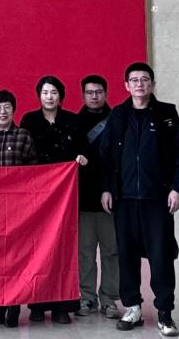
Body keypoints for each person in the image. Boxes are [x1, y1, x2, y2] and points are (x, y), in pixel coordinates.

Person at [99, 63, 179, 337]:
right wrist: (107, 189)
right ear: (126, 85)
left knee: (161, 255)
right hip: (124, 198)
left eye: (144, 79)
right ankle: (133, 307)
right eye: (134, 80)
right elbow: (106, 155)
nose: (139, 84)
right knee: (126, 255)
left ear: (152, 84)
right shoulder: (118, 114)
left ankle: (165, 312)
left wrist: (177, 188)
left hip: (157, 198)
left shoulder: (167, 113)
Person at [19, 75, 87, 325]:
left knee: (63, 248)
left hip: (66, 195)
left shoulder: (73, 120)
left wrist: (82, 157)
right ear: (39, 96)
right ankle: (37, 304)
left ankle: (63, 306)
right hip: (37, 196)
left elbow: (84, 148)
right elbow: (24, 155)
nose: (49, 97)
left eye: (54, 92)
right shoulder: (29, 120)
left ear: (61, 96)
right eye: (45, 92)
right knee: (37, 248)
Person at [0, 90, 38, 328]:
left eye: (7, 107)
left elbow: (35, 172)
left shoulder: (24, 136)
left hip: (18, 210)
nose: (2, 112)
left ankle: (14, 305)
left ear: (13, 110)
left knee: (16, 258)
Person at [74, 74, 120, 319]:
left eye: (98, 92)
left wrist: (109, 188)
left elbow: (118, 160)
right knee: (85, 253)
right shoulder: (73, 122)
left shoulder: (117, 120)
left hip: (110, 198)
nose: (94, 96)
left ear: (106, 94)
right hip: (82, 199)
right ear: (83, 95)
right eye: (90, 92)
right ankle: (87, 297)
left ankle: (109, 299)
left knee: (111, 251)